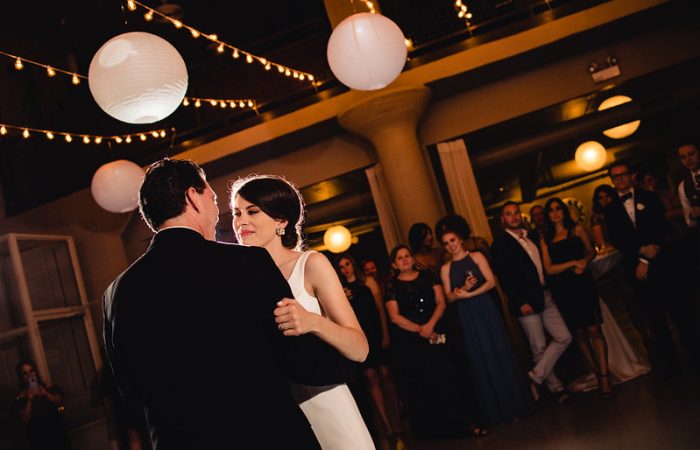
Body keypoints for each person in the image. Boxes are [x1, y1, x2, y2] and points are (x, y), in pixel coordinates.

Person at [102, 159, 323, 450]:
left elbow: (129, 394)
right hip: (267, 436)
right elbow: (299, 361)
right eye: (212, 198)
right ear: (193, 197)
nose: (217, 213)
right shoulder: (248, 263)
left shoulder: (114, 294)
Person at [230, 174, 374, 450]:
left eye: (252, 211)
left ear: (281, 221)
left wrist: (313, 322)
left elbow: (360, 349)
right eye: (237, 213)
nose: (240, 221)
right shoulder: (239, 280)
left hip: (325, 403)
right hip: (277, 416)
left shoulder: (311, 264)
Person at [604, 161, 700, 378]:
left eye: (623, 174)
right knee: (656, 320)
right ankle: (672, 368)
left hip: (663, 264)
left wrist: (650, 252)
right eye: (615, 176)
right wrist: (640, 251)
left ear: (631, 176)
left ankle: (696, 358)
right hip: (637, 272)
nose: (620, 179)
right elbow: (619, 239)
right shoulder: (610, 210)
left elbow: (661, 226)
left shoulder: (649, 197)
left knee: (682, 314)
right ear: (612, 180)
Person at [437, 215, 534, 424]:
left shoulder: (477, 256)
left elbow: (491, 282)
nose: (450, 246)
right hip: (466, 314)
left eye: (452, 240)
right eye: (446, 243)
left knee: (499, 350)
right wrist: (462, 289)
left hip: (485, 308)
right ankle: (497, 410)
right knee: (479, 355)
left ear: (460, 239)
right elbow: (448, 297)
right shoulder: (445, 268)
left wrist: (472, 292)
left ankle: (516, 404)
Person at [384, 245, 484, 438]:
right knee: (426, 383)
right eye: (399, 258)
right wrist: (421, 330)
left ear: (412, 258)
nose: (404, 259)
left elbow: (441, 302)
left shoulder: (428, 276)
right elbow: (394, 317)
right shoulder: (391, 285)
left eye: (407, 256)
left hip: (438, 331)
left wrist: (430, 325)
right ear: (394, 264)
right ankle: (438, 430)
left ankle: (466, 423)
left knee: (451, 377)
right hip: (413, 341)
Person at [491, 201, 573, 404]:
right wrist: (520, 302)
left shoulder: (531, 238)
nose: (514, 217)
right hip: (525, 302)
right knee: (538, 347)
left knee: (564, 336)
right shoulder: (500, 245)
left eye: (516, 213)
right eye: (509, 214)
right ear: (503, 220)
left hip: (545, 296)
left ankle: (535, 376)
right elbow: (505, 278)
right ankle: (557, 389)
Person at [540, 197, 612, 399]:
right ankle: (597, 375)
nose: (555, 213)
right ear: (548, 215)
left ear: (564, 211)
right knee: (579, 334)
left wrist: (584, 261)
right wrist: (573, 262)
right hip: (563, 289)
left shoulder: (577, 229)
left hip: (583, 284)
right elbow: (549, 269)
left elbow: (590, 252)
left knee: (594, 328)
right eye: (551, 210)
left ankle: (605, 378)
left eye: (558, 209)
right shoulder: (545, 238)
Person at [336, 254, 402, 441]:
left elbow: (380, 310)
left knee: (386, 375)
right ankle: (387, 426)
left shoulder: (369, 282)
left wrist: (385, 334)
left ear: (353, 264)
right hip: (360, 336)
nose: (345, 269)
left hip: (376, 333)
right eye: (341, 267)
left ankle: (397, 421)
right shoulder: (341, 290)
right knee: (371, 377)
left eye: (347, 264)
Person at [15, 359, 70, 450]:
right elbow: (25, 418)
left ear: (36, 372)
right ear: (21, 377)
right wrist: (29, 399)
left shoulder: (49, 387)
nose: (29, 375)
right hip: (38, 438)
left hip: (56, 432)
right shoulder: (21, 397)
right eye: (25, 373)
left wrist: (46, 394)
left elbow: (59, 402)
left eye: (31, 371)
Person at [677, 142, 700, 229]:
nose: (688, 159)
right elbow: (689, 222)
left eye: (691, 154)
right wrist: (692, 216)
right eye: (683, 157)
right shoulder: (683, 186)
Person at [590, 185, 617, 253]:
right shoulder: (597, 218)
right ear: (597, 200)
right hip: (613, 252)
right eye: (601, 198)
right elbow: (601, 243)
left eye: (607, 196)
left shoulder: (620, 211)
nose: (605, 200)